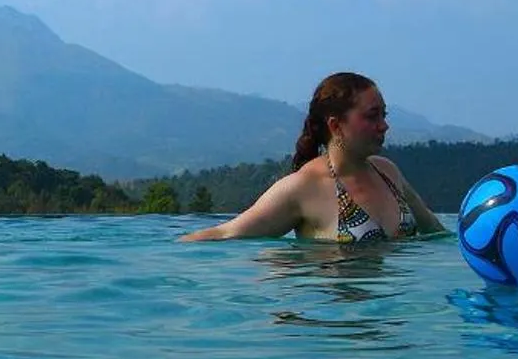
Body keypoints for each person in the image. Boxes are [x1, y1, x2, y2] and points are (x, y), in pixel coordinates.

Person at [181, 73, 442, 243]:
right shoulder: (303, 188)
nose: (384, 126)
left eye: (384, 115)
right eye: (372, 116)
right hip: (334, 320)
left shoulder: (389, 173)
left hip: (395, 320)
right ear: (336, 125)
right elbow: (225, 233)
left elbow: (438, 233)